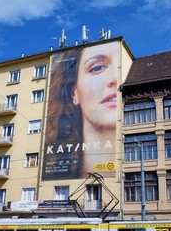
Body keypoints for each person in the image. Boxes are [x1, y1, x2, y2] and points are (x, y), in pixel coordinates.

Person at [43, 42, 118, 180]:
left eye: (121, 69)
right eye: (97, 67)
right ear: (74, 94)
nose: (115, 78)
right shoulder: (54, 176)